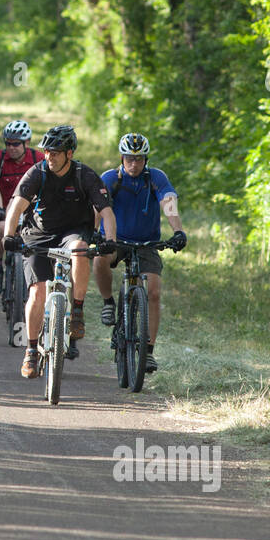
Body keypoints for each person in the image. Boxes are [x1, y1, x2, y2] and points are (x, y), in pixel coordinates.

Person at [1, 125, 117, 379]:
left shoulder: (84, 175)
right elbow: (16, 207)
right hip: (38, 235)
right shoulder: (37, 173)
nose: (49, 157)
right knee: (37, 292)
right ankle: (31, 350)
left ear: (69, 153)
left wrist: (110, 240)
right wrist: (9, 236)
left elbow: (107, 211)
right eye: (46, 152)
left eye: (55, 152)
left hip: (73, 233)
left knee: (80, 249)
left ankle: (77, 309)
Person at [93, 132, 186, 374]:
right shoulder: (111, 178)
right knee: (99, 259)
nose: (134, 164)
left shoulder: (155, 177)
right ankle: (108, 302)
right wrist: (93, 233)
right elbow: (98, 206)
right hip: (116, 241)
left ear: (146, 159)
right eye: (129, 159)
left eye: (139, 159)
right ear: (122, 158)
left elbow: (168, 200)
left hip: (147, 243)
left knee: (153, 292)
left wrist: (178, 231)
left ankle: (148, 352)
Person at [0, 119, 43, 294]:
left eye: (16, 144)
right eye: (8, 143)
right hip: (5, 212)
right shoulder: (0, 158)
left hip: (32, 214)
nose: (11, 147)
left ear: (27, 142)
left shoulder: (38, 159)